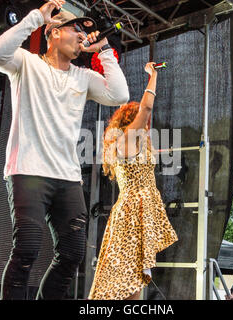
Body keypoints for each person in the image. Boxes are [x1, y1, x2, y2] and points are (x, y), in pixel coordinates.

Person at [0, 0, 129, 300]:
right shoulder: (26, 63)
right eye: (75, 29)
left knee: (73, 254)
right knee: (27, 247)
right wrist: (36, 17)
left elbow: (120, 94)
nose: (81, 36)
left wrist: (103, 49)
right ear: (53, 33)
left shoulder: (83, 77)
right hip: (28, 171)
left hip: (66, 176)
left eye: (84, 33)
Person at [88, 62, 178, 300]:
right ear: (131, 121)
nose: (146, 126)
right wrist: (153, 75)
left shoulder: (135, 144)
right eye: (141, 122)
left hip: (139, 213)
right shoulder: (127, 140)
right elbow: (147, 107)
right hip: (131, 215)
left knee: (132, 281)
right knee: (126, 283)